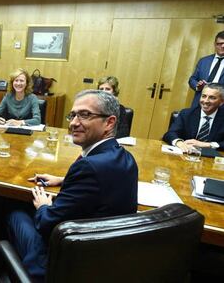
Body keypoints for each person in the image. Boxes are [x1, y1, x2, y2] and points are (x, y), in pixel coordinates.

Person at [7, 90, 138, 279]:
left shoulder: (88, 167)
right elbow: (101, 183)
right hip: (106, 257)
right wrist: (64, 180)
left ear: (109, 122)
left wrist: (43, 206)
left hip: (69, 263)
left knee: (14, 211)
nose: (74, 123)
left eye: (85, 115)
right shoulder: (124, 156)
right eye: (73, 115)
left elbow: (46, 223)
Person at [163, 83, 224, 152]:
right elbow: (170, 134)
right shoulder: (186, 114)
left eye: (212, 97)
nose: (206, 101)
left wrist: (208, 145)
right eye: (203, 96)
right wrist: (179, 143)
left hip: (213, 158)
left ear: (221, 102)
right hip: (186, 154)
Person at [188, 31, 224, 107]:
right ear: (215, 45)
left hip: (221, 104)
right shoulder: (203, 61)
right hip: (200, 102)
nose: (223, 46)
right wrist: (198, 86)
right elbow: (192, 79)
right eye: (219, 44)